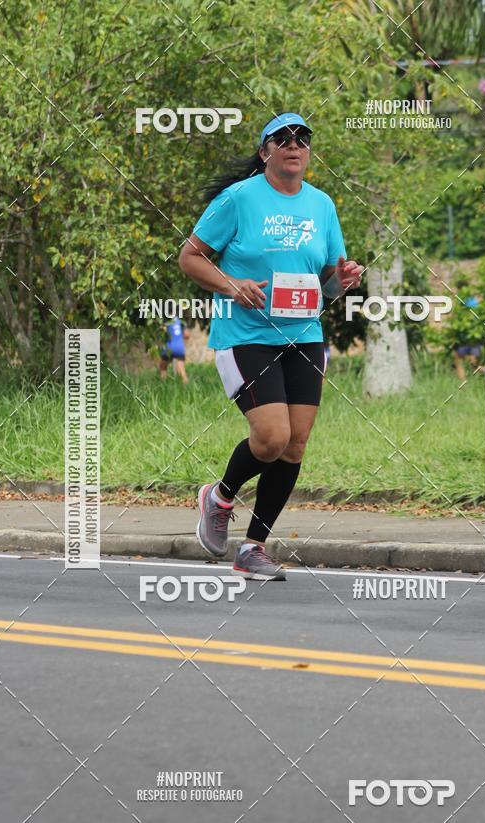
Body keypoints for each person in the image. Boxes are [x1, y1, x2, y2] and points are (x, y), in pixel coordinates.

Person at [178, 112, 363, 580]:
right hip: (245, 336)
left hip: (304, 336)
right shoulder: (238, 199)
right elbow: (191, 257)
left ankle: (253, 548)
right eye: (282, 138)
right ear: (265, 152)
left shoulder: (322, 205)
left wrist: (342, 281)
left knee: (295, 446)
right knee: (272, 437)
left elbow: (327, 284)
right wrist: (232, 284)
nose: (294, 144)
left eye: (303, 136)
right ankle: (219, 497)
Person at [159, 316, 190, 385]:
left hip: (168, 348)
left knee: (163, 368)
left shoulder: (165, 321)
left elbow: (161, 332)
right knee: (182, 372)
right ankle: (187, 388)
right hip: (179, 347)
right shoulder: (181, 322)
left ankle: (163, 386)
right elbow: (187, 335)